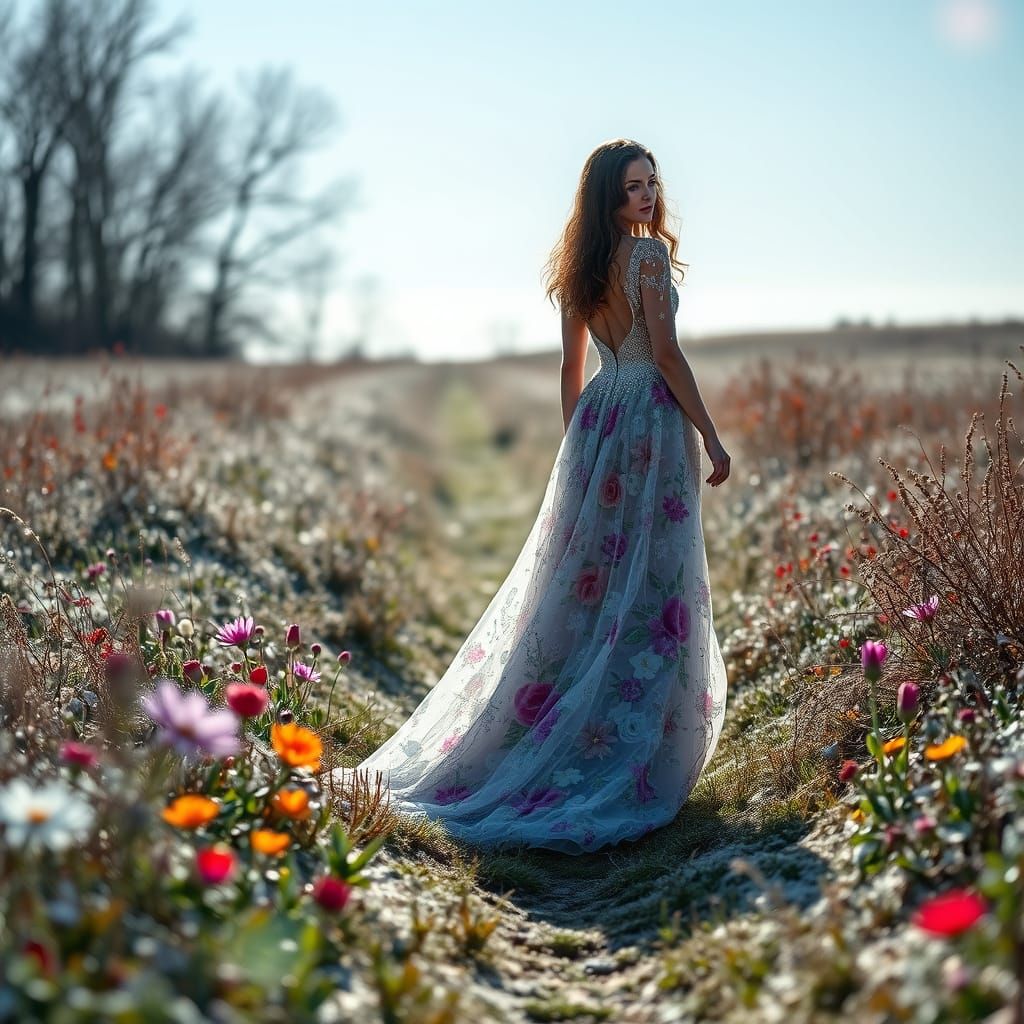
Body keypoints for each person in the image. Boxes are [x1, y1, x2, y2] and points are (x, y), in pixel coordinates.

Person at [342, 139, 732, 855]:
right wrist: (709, 432)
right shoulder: (646, 257)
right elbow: (666, 355)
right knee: (649, 573)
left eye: (651, 182)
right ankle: (627, 737)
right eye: (632, 186)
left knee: (587, 577)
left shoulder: (579, 266)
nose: (647, 196)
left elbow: (569, 370)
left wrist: (578, 448)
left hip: (600, 419)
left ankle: (582, 717)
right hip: (649, 417)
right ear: (608, 195)